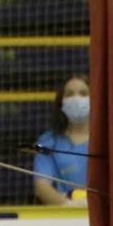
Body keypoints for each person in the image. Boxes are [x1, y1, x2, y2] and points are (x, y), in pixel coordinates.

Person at [33, 73, 90, 206]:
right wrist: (70, 206)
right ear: (61, 102)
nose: (76, 98)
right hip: (66, 212)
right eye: (69, 94)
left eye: (83, 93)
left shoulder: (109, 140)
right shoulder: (47, 142)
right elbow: (41, 186)